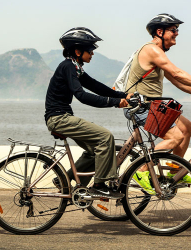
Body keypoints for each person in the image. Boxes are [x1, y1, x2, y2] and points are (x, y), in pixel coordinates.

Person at [126, 13, 191, 194]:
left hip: (153, 106)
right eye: (174, 30)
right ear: (159, 32)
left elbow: (176, 81)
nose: (177, 34)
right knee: (175, 138)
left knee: (187, 128)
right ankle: (141, 171)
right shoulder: (151, 49)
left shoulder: (158, 54)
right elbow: (177, 73)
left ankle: (176, 170)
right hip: (141, 106)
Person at [45, 27, 131, 199]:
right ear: (78, 51)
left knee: (95, 151)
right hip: (59, 118)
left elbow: (95, 86)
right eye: (90, 50)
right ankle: (99, 185)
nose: (92, 53)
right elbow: (82, 96)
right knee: (105, 138)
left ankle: (65, 179)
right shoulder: (68, 66)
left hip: (62, 117)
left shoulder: (75, 67)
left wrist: (123, 95)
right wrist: (115, 103)